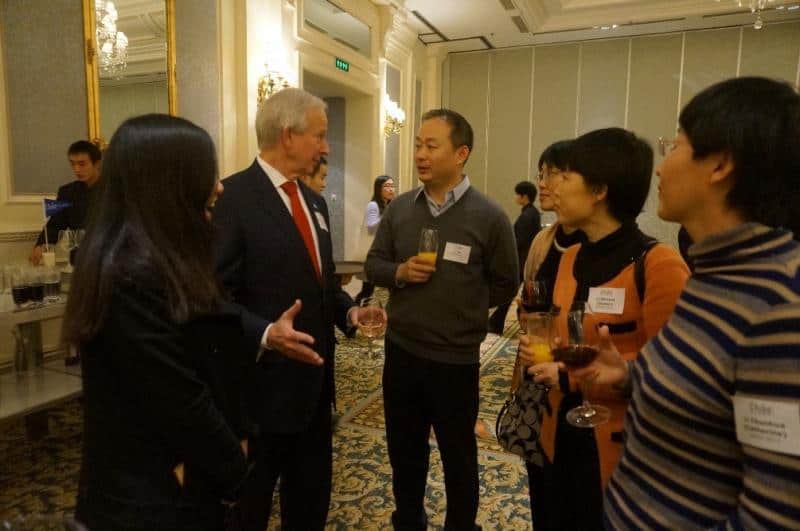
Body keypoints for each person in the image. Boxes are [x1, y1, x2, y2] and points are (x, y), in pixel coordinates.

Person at [571, 77, 800, 530]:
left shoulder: (779, 307)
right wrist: (630, 376)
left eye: (673, 146)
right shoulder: (716, 273)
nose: (660, 167)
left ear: (719, 165)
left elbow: (776, 513)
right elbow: (712, 394)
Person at [63, 114, 254, 531]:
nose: (219, 186)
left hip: (177, 486)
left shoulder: (164, 258)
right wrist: (236, 470)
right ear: (169, 182)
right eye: (209, 173)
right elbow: (179, 398)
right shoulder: (129, 274)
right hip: (146, 501)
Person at [213, 87, 373, 530]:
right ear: (288, 135)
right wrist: (265, 333)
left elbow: (320, 283)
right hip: (260, 396)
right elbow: (212, 298)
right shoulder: (232, 198)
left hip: (316, 393)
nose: (325, 147)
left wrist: (347, 313)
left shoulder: (315, 202)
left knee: (310, 505)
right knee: (250, 510)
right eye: (319, 136)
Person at [521, 128, 689, 530]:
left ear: (598, 190)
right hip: (557, 435)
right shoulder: (571, 255)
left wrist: (572, 373)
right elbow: (569, 338)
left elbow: (673, 376)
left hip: (620, 454)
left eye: (564, 177)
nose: (551, 186)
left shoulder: (659, 266)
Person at [365, 108, 519, 530]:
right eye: (417, 144)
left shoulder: (489, 216)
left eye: (431, 145)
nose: (420, 154)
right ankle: (408, 520)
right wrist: (399, 272)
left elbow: (508, 281)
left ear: (461, 152)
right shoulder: (399, 210)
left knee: (458, 455)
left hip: (455, 360)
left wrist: (466, 308)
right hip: (403, 354)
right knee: (405, 451)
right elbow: (373, 264)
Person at [30, 140, 101, 265]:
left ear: (96, 163)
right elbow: (55, 224)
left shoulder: (116, 190)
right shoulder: (66, 192)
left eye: (82, 164)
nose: (76, 169)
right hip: (79, 261)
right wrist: (41, 245)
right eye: (72, 164)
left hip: (109, 261)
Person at [487, 180, 541, 334]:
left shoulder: (527, 215)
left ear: (524, 197)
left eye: (518, 194)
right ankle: (496, 322)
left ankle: (496, 323)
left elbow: (518, 240)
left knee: (510, 293)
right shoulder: (532, 213)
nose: (516, 197)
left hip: (521, 260)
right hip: (524, 259)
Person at [354, 175, 395, 304]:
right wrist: (388, 213)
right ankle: (354, 310)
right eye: (387, 186)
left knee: (369, 289)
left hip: (378, 252)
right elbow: (371, 226)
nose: (391, 189)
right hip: (370, 253)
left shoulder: (385, 205)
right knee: (367, 290)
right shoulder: (373, 205)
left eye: (392, 186)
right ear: (378, 189)